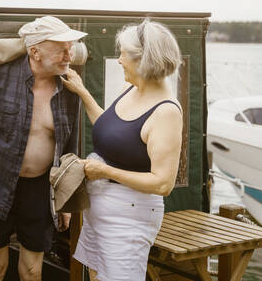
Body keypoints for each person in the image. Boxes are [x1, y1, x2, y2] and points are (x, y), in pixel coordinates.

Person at [0, 16, 87, 281]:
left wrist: (66, 203)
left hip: (41, 190)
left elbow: (71, 147)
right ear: (35, 51)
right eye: (61, 48)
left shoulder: (70, 88)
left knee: (32, 273)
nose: (70, 54)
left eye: (71, 47)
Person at [62, 19, 183, 281]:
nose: (119, 60)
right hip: (100, 209)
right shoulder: (132, 88)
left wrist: (106, 170)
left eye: (123, 54)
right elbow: (113, 132)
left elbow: (163, 184)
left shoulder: (166, 112)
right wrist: (82, 92)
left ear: (143, 60)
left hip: (129, 217)